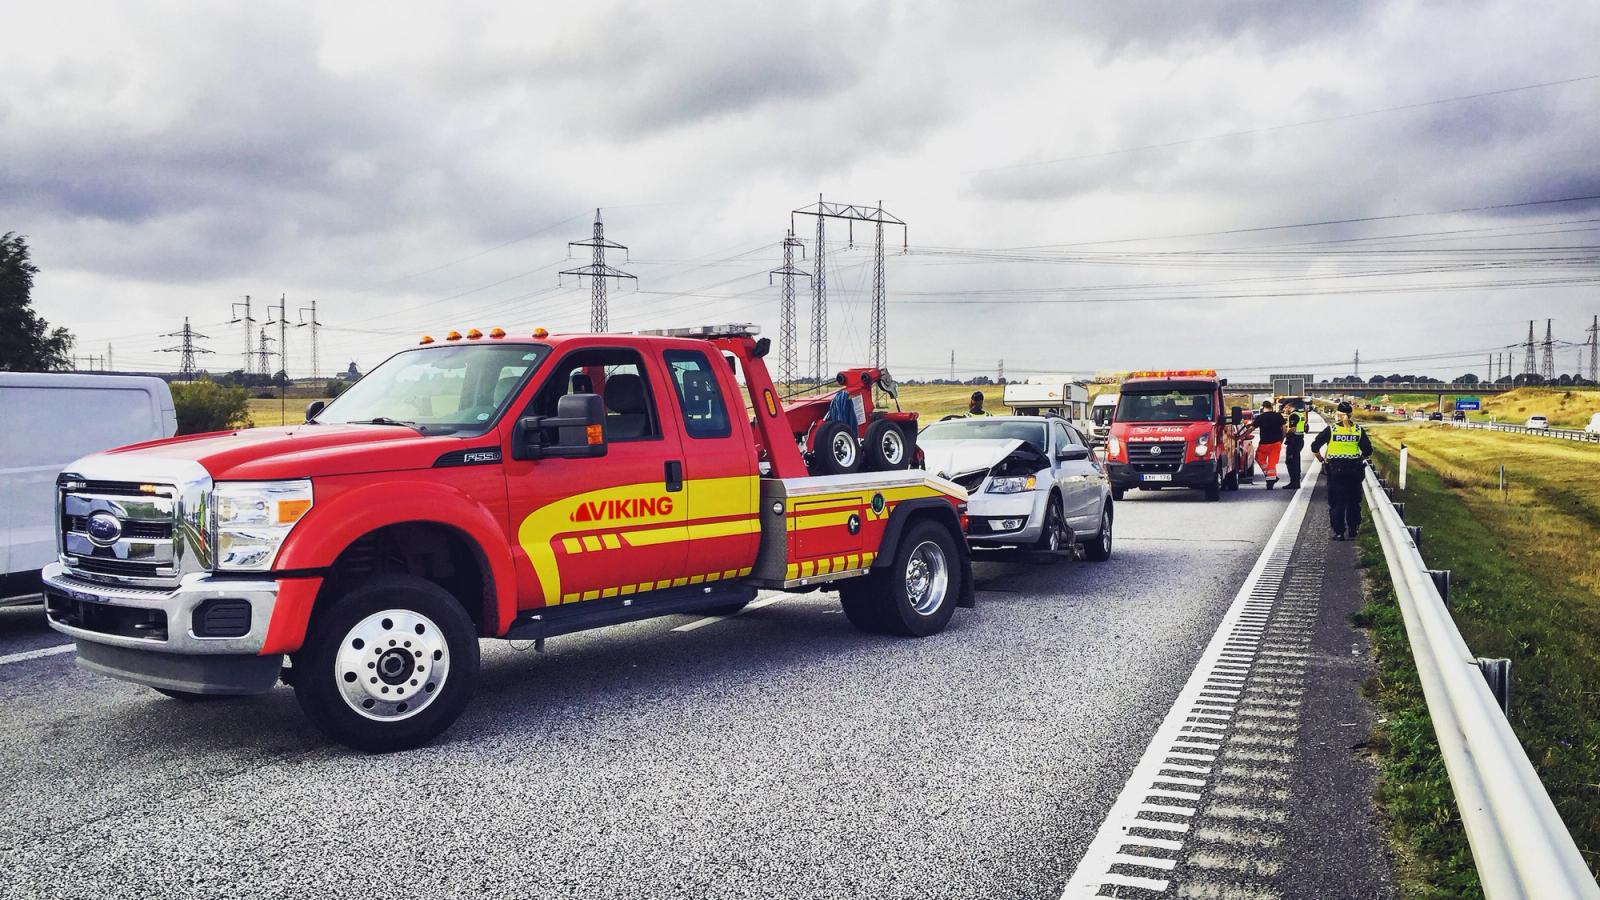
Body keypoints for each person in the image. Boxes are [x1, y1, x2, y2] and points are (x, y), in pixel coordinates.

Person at [1312, 401, 1374, 540]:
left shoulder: (1332, 429)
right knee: (1353, 501)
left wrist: (1322, 460)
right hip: (1354, 470)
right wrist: (1358, 458)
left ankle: (1339, 532)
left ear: (1338, 415)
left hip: (1335, 470)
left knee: (1337, 502)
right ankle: (1353, 529)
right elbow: (1368, 450)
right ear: (1351, 415)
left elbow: (1315, 446)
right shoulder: (1358, 430)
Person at [1246, 399, 1286, 489]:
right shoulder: (1278, 416)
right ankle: (1271, 478)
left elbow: (1251, 428)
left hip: (1264, 444)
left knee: (1260, 459)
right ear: (1271, 407)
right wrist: (1282, 440)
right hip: (1276, 443)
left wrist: (1242, 436)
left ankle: (1270, 479)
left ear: (1263, 407)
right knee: (1272, 462)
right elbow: (1284, 429)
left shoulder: (1260, 417)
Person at [1283, 400, 1308, 489]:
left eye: (1285, 408)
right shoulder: (1300, 414)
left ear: (1289, 406)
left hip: (1294, 441)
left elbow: (1293, 429)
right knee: (1295, 461)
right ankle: (1295, 481)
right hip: (1299, 439)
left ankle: (1294, 482)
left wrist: (1285, 432)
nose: (1284, 410)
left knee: (1291, 461)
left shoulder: (1293, 415)